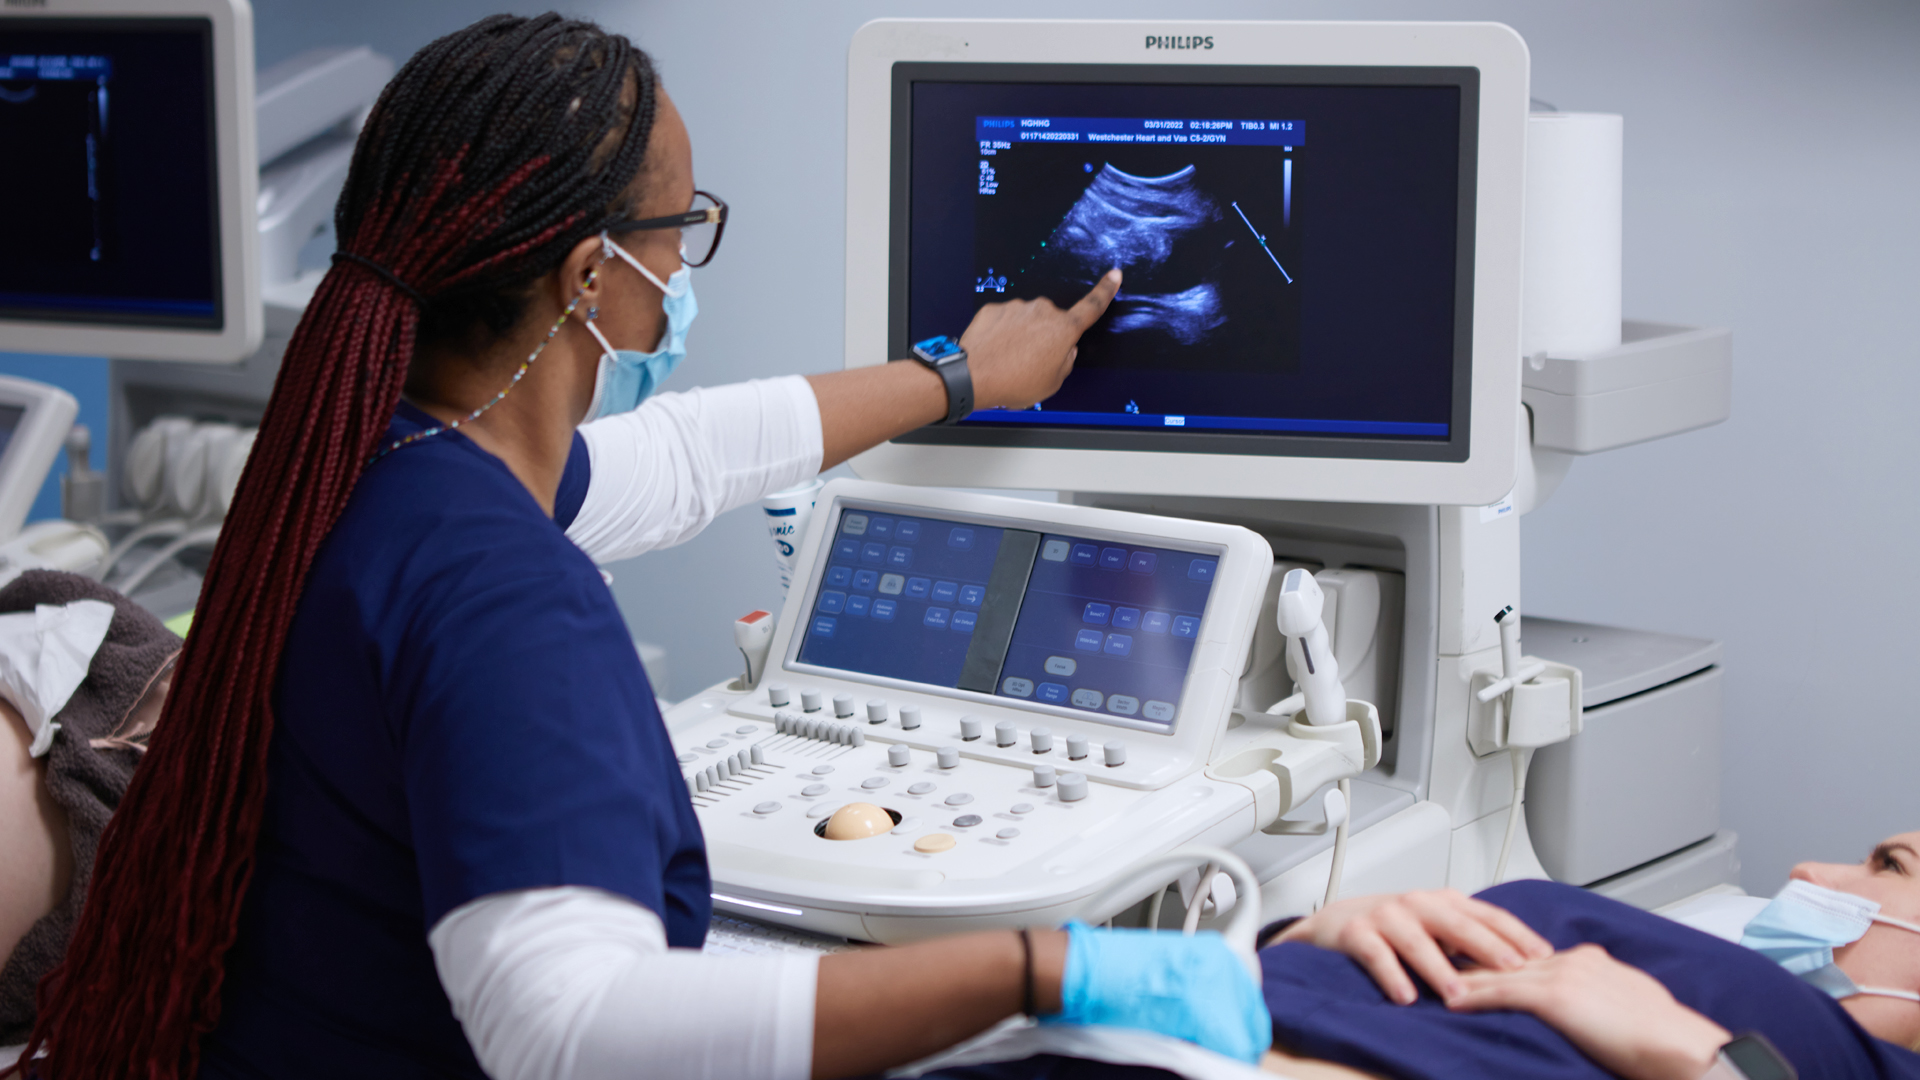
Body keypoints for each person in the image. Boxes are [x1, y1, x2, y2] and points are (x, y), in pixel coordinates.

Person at [15, 14, 1277, 1080]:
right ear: (590, 278)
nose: (683, 266)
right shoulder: (500, 589)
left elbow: (683, 458)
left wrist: (955, 376)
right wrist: (1040, 967)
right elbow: (569, 1029)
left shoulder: (365, 466)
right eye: (682, 227)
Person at [1249, 829, 1920, 1079]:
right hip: (1245, 1000)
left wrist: (1705, 1061)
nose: (1809, 871)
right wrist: (1304, 934)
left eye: (1893, 865)